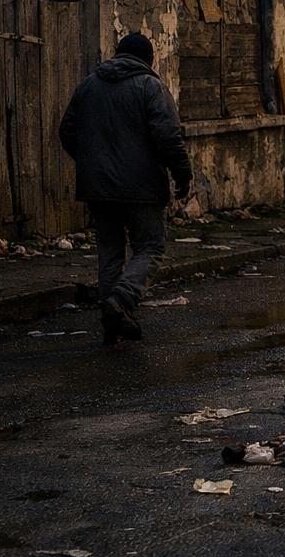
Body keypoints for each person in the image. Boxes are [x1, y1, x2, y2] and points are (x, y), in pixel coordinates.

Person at [59, 32, 192, 345]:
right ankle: (122, 299)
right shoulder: (150, 87)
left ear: (118, 54)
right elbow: (168, 136)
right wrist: (182, 174)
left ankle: (112, 321)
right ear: (148, 59)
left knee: (110, 252)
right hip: (141, 186)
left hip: (98, 188)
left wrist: (92, 163)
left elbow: (67, 131)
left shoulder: (88, 85)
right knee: (150, 246)